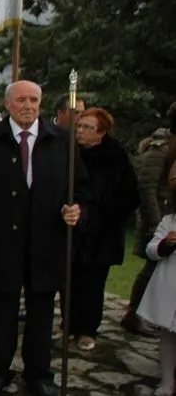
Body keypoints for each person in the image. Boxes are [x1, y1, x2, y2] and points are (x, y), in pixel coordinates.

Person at [0, 80, 88, 396]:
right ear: (7, 104)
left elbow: (82, 188)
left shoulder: (62, 141)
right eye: (21, 100)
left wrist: (76, 208)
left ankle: (39, 374)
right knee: (3, 311)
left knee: (42, 311)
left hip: (47, 242)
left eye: (34, 100)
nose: (28, 106)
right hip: (3, 242)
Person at [58, 108, 139, 350]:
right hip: (72, 229)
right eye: (79, 126)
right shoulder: (71, 154)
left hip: (101, 233)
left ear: (101, 133)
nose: (80, 131)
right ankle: (68, 325)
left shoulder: (116, 157)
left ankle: (87, 330)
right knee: (68, 282)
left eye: (87, 127)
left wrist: (102, 213)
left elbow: (130, 196)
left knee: (92, 284)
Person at [123, 116, 175, 336]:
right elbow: (147, 187)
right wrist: (155, 222)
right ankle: (133, 314)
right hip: (159, 216)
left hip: (169, 214)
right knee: (151, 268)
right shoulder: (161, 149)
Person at [135, 212, 176, 396]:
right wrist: (165, 244)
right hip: (172, 291)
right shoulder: (170, 221)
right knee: (168, 338)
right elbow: (151, 250)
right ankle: (167, 383)